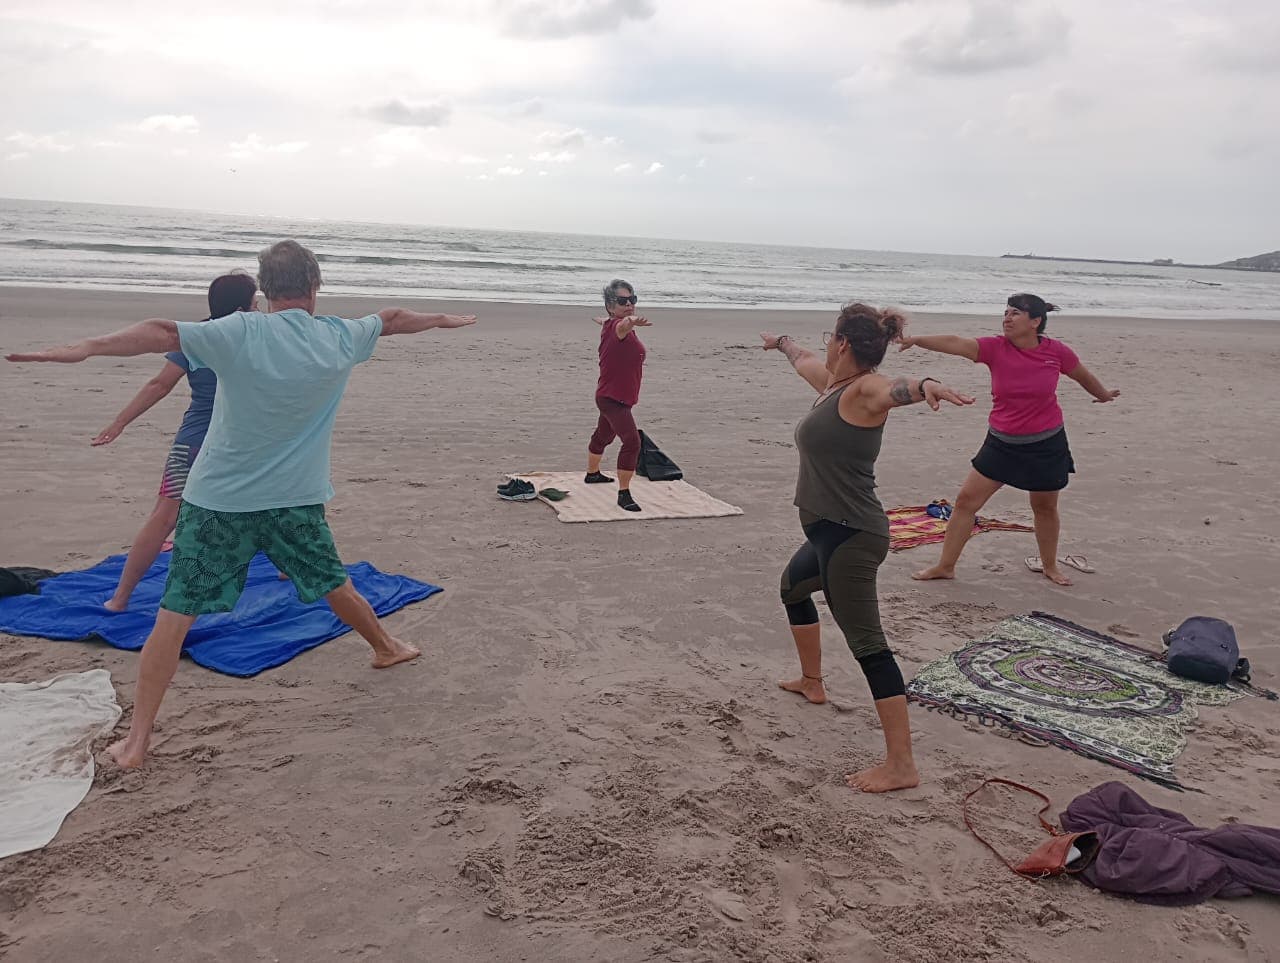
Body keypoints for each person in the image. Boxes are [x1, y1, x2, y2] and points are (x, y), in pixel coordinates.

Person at [6, 239, 478, 769]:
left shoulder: (238, 331)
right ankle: (387, 648)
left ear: (264, 289)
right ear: (316, 286)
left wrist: (85, 347)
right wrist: (442, 318)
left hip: (218, 502)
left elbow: (161, 333)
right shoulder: (339, 337)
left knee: (176, 611)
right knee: (331, 580)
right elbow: (392, 319)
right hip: (294, 502)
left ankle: (137, 743)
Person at [760, 303, 974, 793]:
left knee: (870, 648)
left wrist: (927, 387)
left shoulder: (862, 390)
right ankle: (812, 682)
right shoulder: (832, 386)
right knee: (792, 589)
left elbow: (895, 389)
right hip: (829, 534)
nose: (824, 345)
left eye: (829, 337)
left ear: (844, 343)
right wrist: (782, 343)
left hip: (851, 537)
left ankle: (901, 765)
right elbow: (802, 359)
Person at [902, 294, 1120, 586]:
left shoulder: (1056, 352)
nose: (1007, 318)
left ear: (1035, 322)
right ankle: (945, 566)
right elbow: (956, 342)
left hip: (1046, 443)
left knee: (1044, 507)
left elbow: (1082, 375)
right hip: (1001, 443)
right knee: (966, 502)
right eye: (1005, 312)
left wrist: (1103, 395)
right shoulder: (995, 348)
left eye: (1015, 313)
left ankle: (1050, 566)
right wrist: (916, 339)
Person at [93, 272, 258, 612]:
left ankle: (120, 599)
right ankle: (289, 573)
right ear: (242, 309)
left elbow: (159, 384)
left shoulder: (194, 336)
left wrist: (119, 422)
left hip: (194, 443)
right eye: (256, 303)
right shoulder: (257, 338)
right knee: (271, 504)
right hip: (236, 446)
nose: (260, 308)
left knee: (163, 517)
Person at [586, 279, 650, 512]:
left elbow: (609, 322)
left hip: (613, 396)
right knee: (632, 442)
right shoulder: (619, 327)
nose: (629, 304)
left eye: (632, 300)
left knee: (603, 435)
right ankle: (624, 494)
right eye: (622, 301)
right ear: (610, 306)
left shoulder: (608, 323)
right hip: (614, 400)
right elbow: (621, 327)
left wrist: (608, 319)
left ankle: (592, 474)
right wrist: (629, 321)